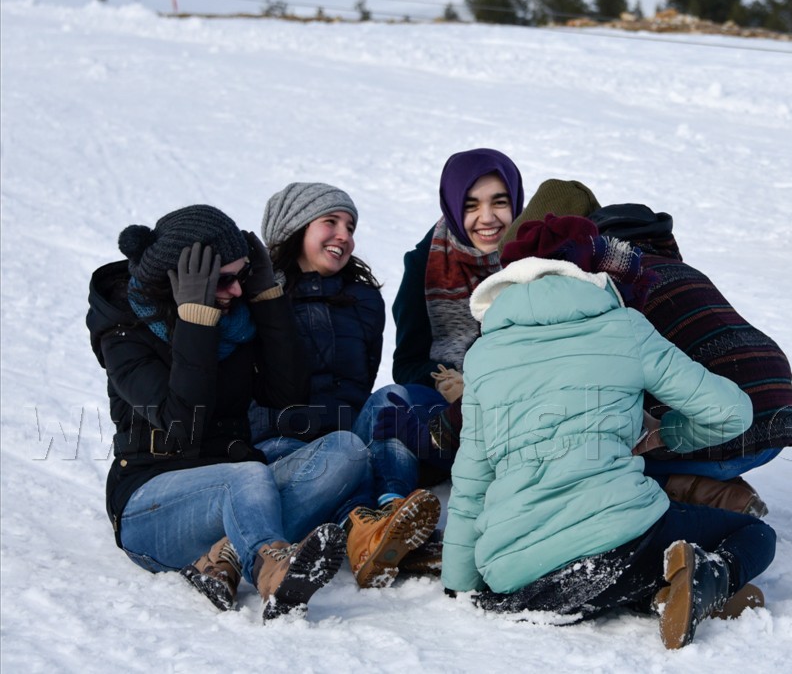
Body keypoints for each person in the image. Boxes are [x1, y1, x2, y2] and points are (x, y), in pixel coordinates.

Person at [442, 215, 776, 650]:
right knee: (756, 536)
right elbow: (731, 412)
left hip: (516, 574)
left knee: (603, 569)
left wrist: (458, 586)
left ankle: (658, 594)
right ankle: (706, 582)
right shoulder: (624, 327)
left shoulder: (484, 355)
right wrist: (667, 434)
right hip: (621, 542)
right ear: (588, 274)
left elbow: (471, 482)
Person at [87, 204, 363, 621]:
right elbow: (183, 425)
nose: (237, 292)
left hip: (234, 478)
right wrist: (196, 321)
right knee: (247, 475)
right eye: (225, 280)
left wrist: (269, 298)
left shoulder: (236, 321)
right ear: (180, 285)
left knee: (347, 450)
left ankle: (227, 552)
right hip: (150, 505)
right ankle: (270, 568)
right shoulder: (124, 333)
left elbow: (288, 396)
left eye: (243, 276)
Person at [253, 183, 440, 589]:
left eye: (350, 226)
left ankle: (394, 511)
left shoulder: (364, 300)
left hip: (345, 434)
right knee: (343, 454)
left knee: (392, 401)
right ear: (294, 226)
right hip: (281, 443)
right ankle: (366, 531)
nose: (345, 235)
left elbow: (362, 379)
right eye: (331, 221)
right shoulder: (257, 297)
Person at [589, 202, 792, 517]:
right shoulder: (685, 271)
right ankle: (713, 485)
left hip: (723, 436)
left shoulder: (616, 286)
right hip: (778, 425)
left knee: (594, 460)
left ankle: (708, 494)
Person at [367, 149, 524, 489]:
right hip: (446, 411)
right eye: (471, 205)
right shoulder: (426, 264)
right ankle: (392, 512)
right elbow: (408, 362)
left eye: (499, 202)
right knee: (390, 406)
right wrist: (442, 380)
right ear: (453, 206)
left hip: (519, 417)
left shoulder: (537, 260)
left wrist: (476, 390)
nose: (487, 217)